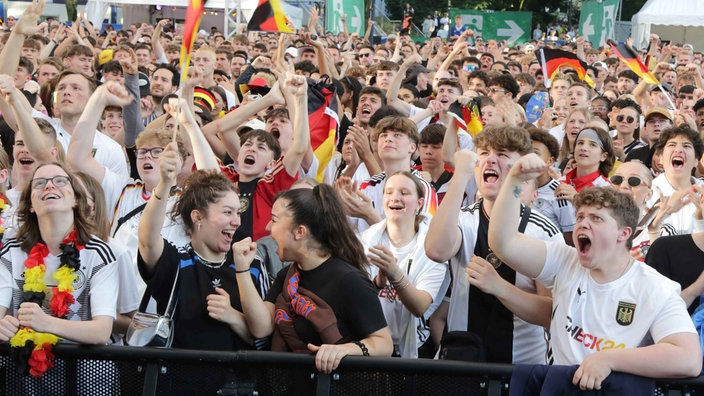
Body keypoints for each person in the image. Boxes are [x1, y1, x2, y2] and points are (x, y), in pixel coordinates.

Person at [488, 154, 701, 390]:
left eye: (596, 218)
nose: (583, 224)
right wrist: (515, 180)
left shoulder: (655, 287)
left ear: (624, 234)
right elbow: (504, 244)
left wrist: (608, 359)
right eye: (580, 217)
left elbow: (688, 358)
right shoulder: (565, 260)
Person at [233, 184, 393, 375]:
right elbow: (261, 328)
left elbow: (384, 343)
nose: (268, 227)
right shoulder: (287, 275)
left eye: (274, 220)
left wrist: (343, 350)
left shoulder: (349, 280)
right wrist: (242, 269)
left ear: (300, 232)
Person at [0, 162, 119, 384]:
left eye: (60, 181)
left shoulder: (99, 252)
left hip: (85, 379)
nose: (49, 186)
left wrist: (45, 323)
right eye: (40, 183)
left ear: (75, 200)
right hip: (26, 377)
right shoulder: (11, 251)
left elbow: (101, 331)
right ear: (31, 205)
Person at [138, 146, 266, 351]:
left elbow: (265, 339)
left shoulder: (252, 263)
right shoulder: (178, 263)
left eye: (237, 212)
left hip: (239, 382)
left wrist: (233, 317)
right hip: (180, 380)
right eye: (227, 212)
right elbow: (147, 240)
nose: (236, 222)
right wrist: (164, 184)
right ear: (197, 217)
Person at [360, 171, 449, 358]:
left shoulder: (431, 249)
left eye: (404, 193)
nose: (395, 198)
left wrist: (395, 274)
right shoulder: (365, 241)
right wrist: (377, 285)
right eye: (389, 192)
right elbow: (353, 301)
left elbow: (420, 307)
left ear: (419, 204)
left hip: (414, 348)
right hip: (372, 343)